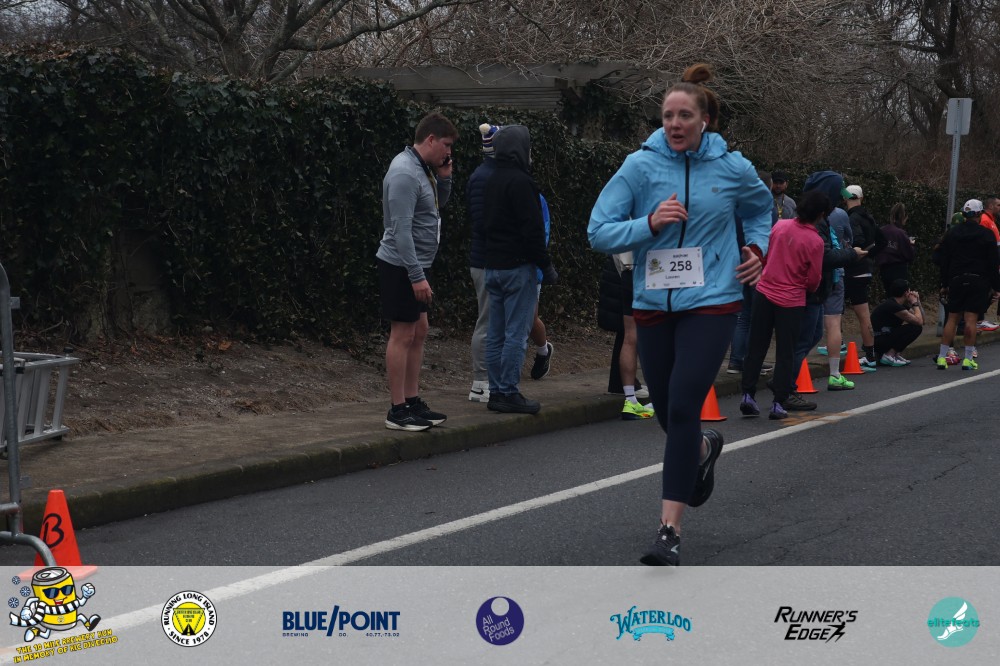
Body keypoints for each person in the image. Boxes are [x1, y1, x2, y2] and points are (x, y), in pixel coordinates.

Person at [588, 63, 772, 566]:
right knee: (670, 411)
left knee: (686, 403)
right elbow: (598, 230)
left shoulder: (733, 168)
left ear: (704, 119)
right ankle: (700, 451)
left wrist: (757, 248)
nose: (674, 123)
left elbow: (761, 210)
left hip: (712, 301)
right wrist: (648, 223)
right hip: (653, 303)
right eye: (667, 115)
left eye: (684, 115)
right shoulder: (640, 166)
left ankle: (668, 530)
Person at [377, 112, 457, 431]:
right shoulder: (404, 173)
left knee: (419, 330)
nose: (448, 152)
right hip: (401, 265)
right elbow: (400, 230)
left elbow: (436, 207)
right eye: (446, 145)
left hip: (418, 264)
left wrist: (445, 177)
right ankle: (397, 410)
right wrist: (415, 275)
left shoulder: (422, 169)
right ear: (431, 139)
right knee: (403, 333)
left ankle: (411, 400)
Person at [467, 123, 554, 403]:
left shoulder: (489, 180)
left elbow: (483, 224)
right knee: (516, 333)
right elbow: (533, 230)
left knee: (494, 333)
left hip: (492, 265)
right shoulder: (522, 182)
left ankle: (494, 390)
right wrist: (545, 266)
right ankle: (508, 391)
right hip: (518, 267)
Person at [739, 190, 826, 420]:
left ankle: (747, 395)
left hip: (765, 291)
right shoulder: (816, 241)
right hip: (791, 299)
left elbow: (766, 256)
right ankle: (778, 402)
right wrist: (806, 286)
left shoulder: (780, 226)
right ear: (821, 214)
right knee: (786, 352)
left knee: (756, 346)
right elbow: (814, 278)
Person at [789, 171, 865, 406]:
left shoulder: (821, 217)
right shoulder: (817, 220)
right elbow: (823, 255)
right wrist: (852, 254)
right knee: (805, 337)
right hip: (811, 286)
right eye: (837, 194)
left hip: (820, 286)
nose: (841, 200)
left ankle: (785, 382)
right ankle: (786, 386)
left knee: (812, 334)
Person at [935, 199, 1000, 371]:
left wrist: (944, 283)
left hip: (956, 278)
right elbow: (993, 262)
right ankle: (968, 358)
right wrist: (996, 286)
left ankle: (942, 357)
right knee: (971, 319)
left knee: (952, 318)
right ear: (979, 214)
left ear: (964, 214)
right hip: (978, 279)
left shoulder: (952, 234)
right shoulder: (986, 234)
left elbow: (945, 260)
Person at [597, 253, 654, 419]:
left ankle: (630, 400)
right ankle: (661, 397)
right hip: (654, 271)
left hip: (628, 272)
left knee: (629, 336)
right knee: (659, 334)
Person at [844, 185, 879, 369]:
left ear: (845, 199)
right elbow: (880, 241)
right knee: (864, 315)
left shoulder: (851, 218)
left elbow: (857, 241)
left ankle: (838, 344)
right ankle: (870, 354)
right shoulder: (869, 217)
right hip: (866, 269)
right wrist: (870, 255)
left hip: (853, 269)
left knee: (832, 309)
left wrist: (854, 252)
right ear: (861, 198)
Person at [870, 279, 924, 365]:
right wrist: (914, 303)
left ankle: (895, 354)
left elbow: (921, 319)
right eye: (909, 290)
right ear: (906, 293)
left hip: (883, 337)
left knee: (916, 327)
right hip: (878, 340)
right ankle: (889, 355)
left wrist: (918, 302)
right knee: (915, 328)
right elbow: (919, 321)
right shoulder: (893, 306)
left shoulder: (898, 304)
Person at [875, 202, 916, 294]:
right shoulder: (901, 233)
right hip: (899, 270)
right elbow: (909, 255)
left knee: (889, 295)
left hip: (884, 270)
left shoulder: (882, 230)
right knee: (900, 297)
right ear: (904, 217)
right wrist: (911, 245)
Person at [975, 196, 1000, 330]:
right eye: (998, 205)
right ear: (991, 206)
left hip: (993, 262)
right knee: (988, 292)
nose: (999, 208)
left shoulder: (991, 220)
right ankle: (978, 319)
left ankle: (979, 318)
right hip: (987, 265)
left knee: (991, 292)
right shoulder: (985, 220)